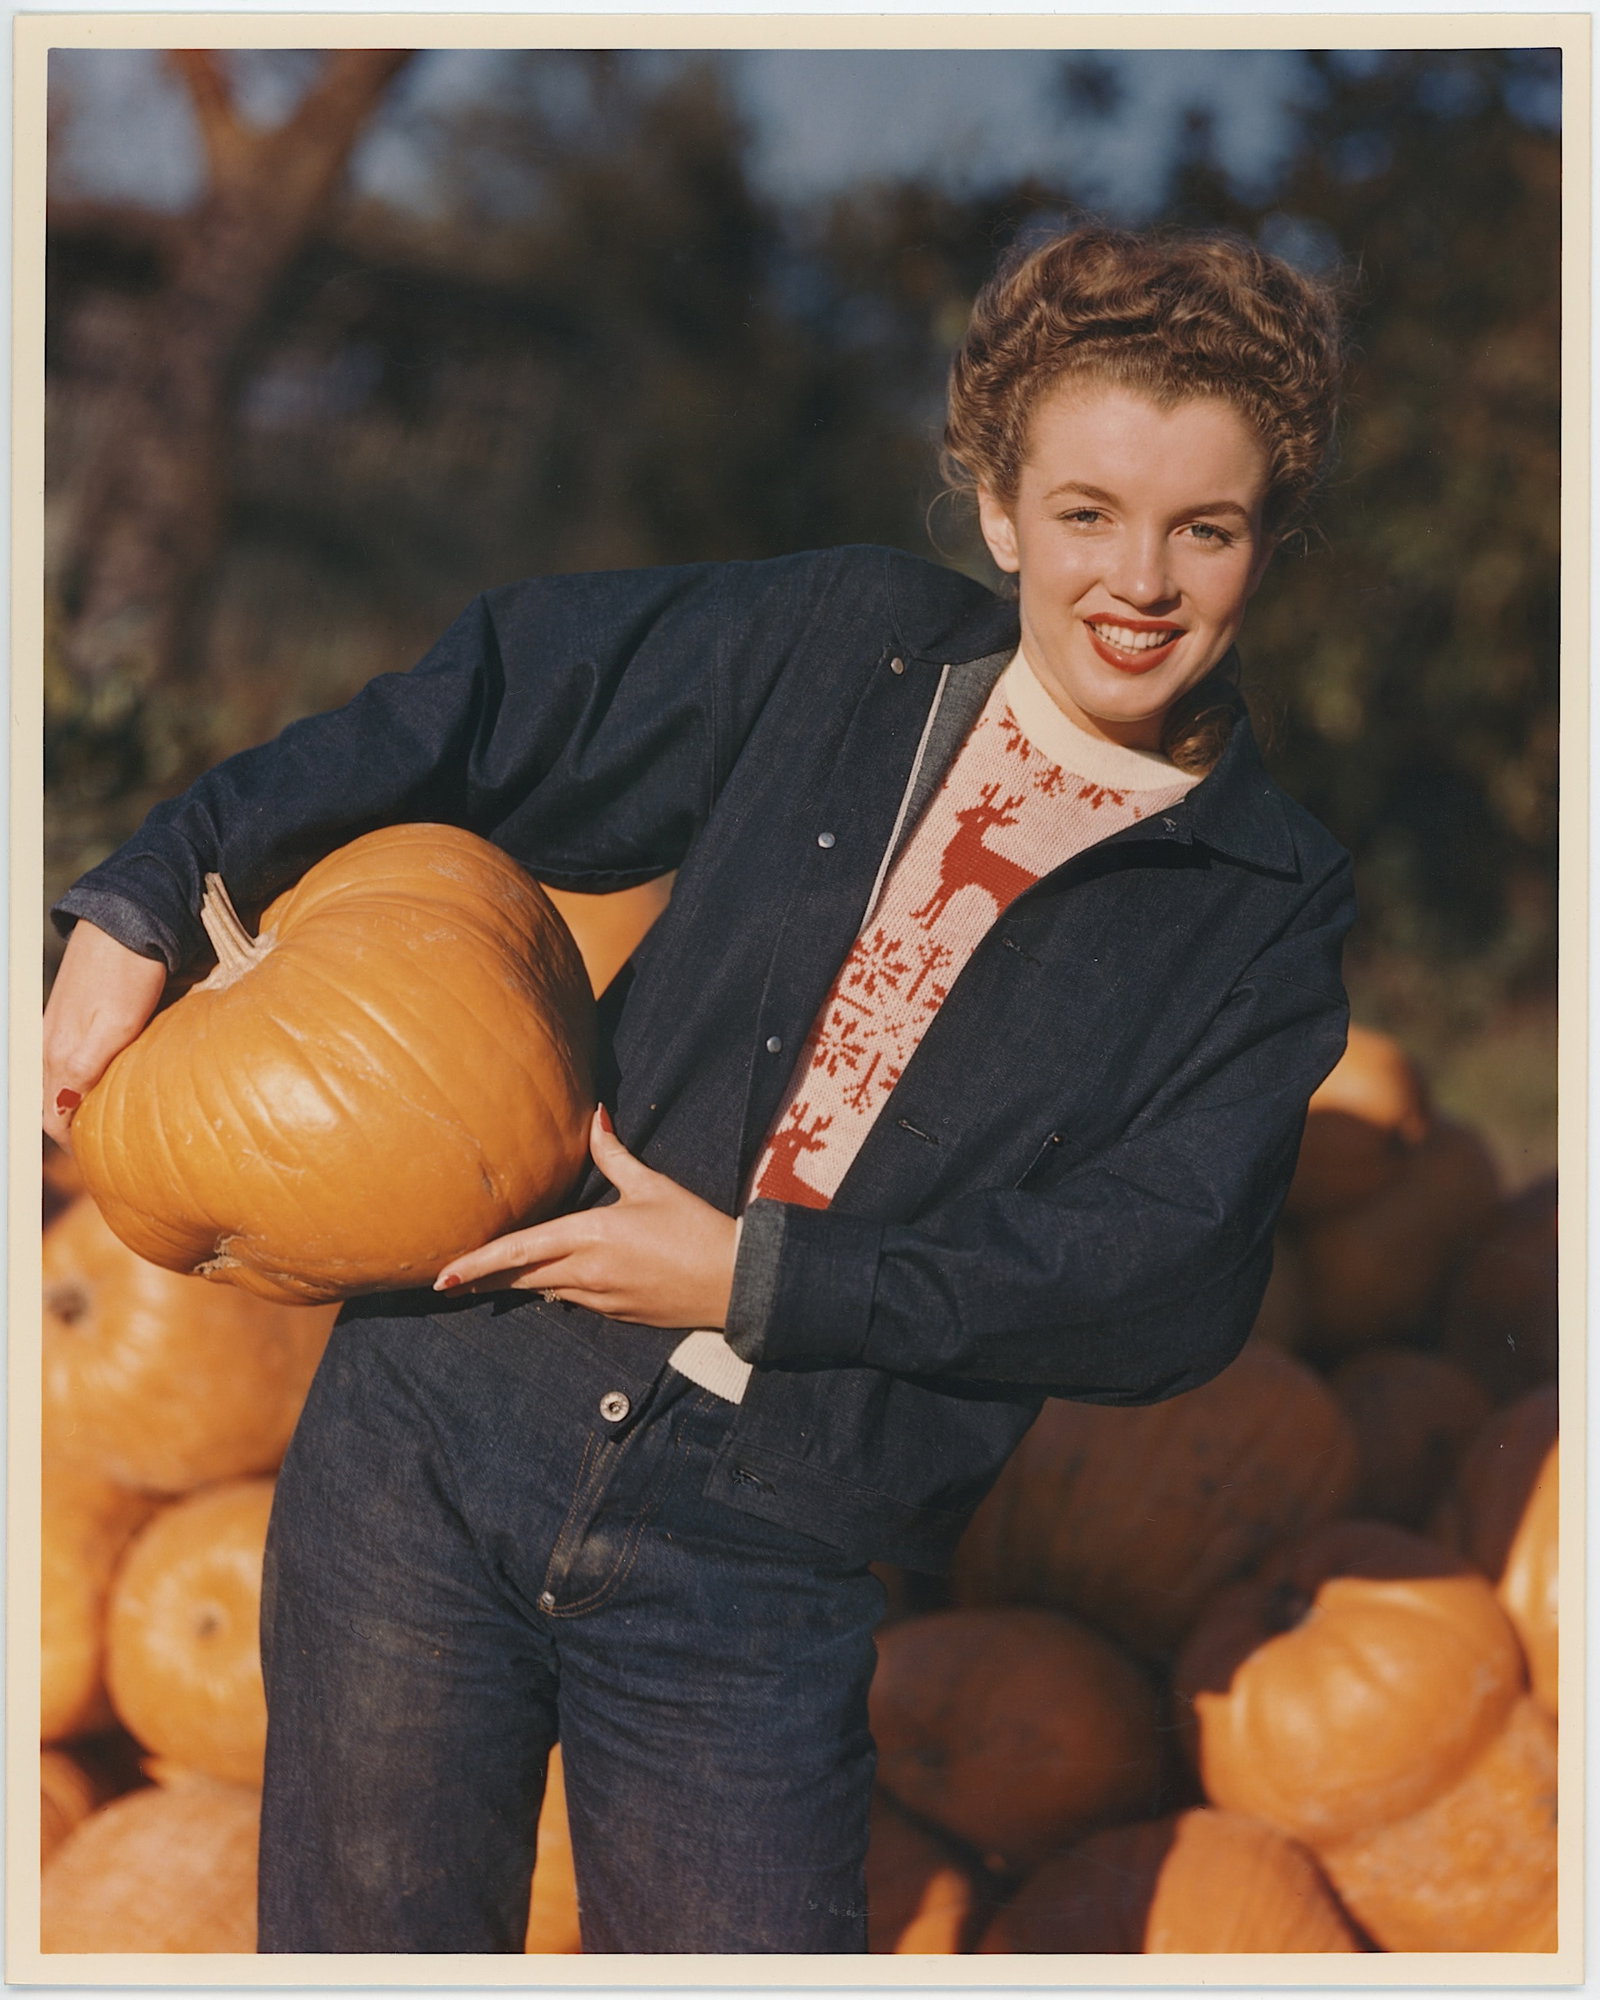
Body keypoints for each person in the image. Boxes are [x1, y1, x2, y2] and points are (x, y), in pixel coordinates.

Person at [42, 223, 1354, 1954]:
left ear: (1276, 538)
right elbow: (491, 698)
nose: (1141, 580)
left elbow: (1164, 1276)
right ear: (999, 509)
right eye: (1090, 513)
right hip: (442, 1434)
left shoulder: (1264, 900)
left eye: (1207, 527)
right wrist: (156, 888)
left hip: (761, 1558)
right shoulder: (845, 645)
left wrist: (762, 1279)